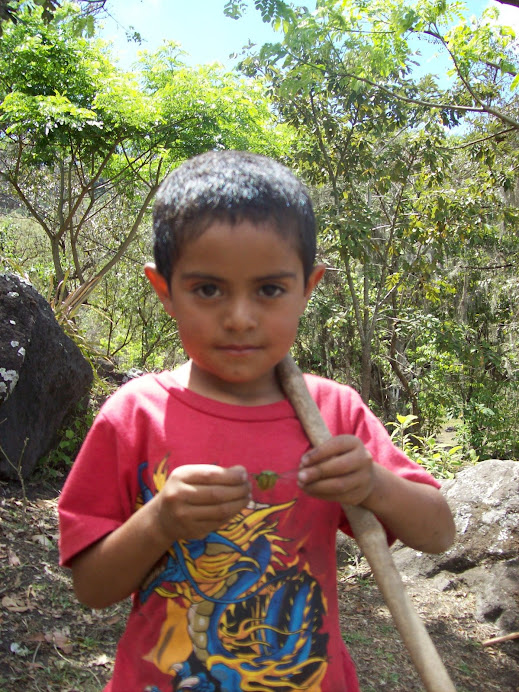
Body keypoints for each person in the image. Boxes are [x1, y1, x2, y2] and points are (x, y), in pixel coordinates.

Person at [58, 150, 455, 692]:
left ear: (308, 287)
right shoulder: (134, 415)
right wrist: (161, 523)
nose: (239, 317)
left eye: (269, 290)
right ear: (164, 290)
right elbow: (91, 587)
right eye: (208, 289)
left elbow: (438, 532)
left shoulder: (332, 414)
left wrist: (374, 484)